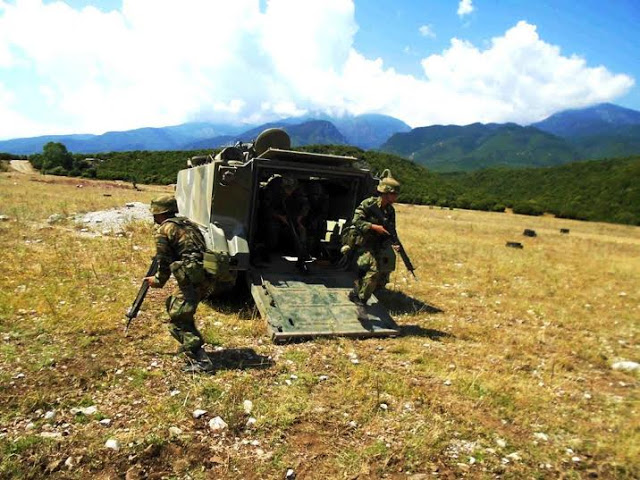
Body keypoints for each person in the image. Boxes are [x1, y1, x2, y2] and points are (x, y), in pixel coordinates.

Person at [144, 195, 215, 373]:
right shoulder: (188, 224)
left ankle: (202, 362)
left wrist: (158, 280)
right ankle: (194, 347)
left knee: (178, 317)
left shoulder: (164, 229)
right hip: (207, 275)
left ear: (160, 213)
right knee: (179, 309)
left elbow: (164, 261)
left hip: (192, 278)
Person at [348, 170, 401, 309]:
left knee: (382, 271)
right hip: (364, 242)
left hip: (379, 244)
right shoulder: (368, 204)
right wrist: (372, 227)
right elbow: (356, 221)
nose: (396, 196)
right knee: (373, 271)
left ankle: (356, 292)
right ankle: (362, 301)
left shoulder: (390, 210)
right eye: (394, 193)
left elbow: (391, 229)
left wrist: (394, 242)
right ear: (386, 193)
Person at [261, 176, 310, 269]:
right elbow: (265, 208)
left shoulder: (298, 191)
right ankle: (265, 251)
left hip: (292, 217)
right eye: (287, 189)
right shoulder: (272, 190)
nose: (289, 192)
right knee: (272, 231)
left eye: (291, 189)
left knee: (301, 231)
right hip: (275, 217)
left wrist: (300, 218)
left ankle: (301, 255)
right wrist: (280, 217)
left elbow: (305, 205)